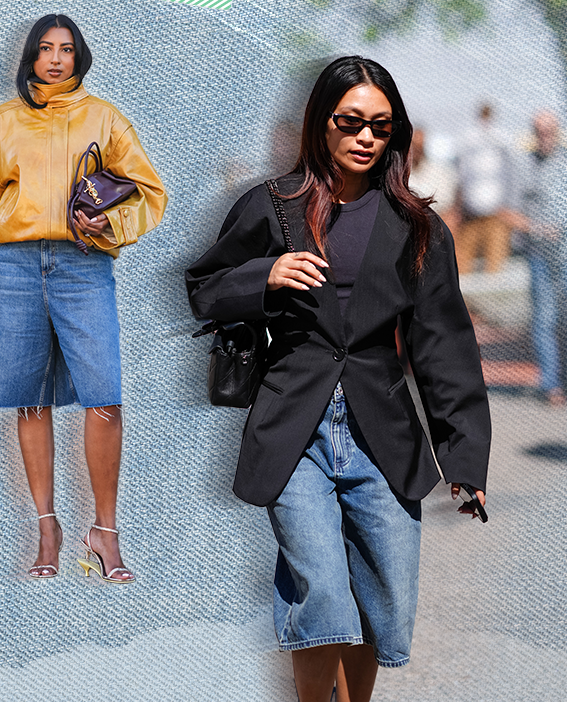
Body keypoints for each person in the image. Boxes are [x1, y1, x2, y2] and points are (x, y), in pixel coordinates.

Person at [186, 56, 491, 702]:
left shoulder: (417, 226)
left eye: (381, 126)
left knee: (379, 595)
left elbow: (444, 346)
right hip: (294, 428)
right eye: (351, 122)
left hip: (383, 434)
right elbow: (204, 288)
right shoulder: (273, 207)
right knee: (322, 592)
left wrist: (464, 457)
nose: (366, 137)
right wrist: (264, 276)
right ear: (321, 122)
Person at [0, 14, 166, 583]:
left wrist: (109, 224)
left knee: (105, 396)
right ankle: (48, 529)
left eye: (66, 49)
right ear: (31, 56)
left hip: (83, 266)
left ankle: (105, 531)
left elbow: (150, 192)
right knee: (30, 399)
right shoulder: (2, 122)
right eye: (45, 49)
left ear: (79, 57)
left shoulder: (104, 118)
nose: (55, 59)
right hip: (13, 266)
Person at [520, 110, 567, 406]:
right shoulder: (524, 165)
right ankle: (551, 384)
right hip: (539, 254)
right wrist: (537, 228)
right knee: (545, 318)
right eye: (540, 130)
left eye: (549, 130)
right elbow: (507, 210)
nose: (545, 135)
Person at [454, 103, 520, 274]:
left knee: (495, 270)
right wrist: (459, 207)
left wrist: (510, 207)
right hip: (471, 215)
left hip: (496, 216)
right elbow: (461, 176)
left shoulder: (501, 139)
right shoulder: (469, 140)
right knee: (462, 269)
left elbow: (512, 176)